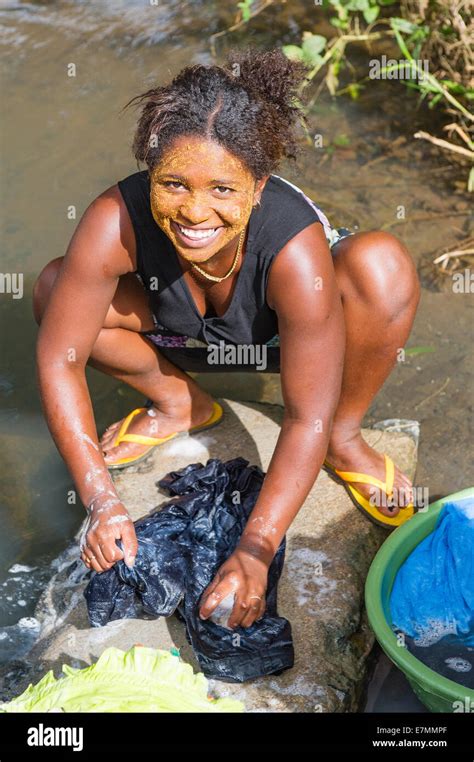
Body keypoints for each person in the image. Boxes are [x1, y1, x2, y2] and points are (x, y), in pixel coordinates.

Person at [33, 48, 420, 631]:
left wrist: (257, 547)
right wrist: (100, 500)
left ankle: (349, 438)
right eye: (173, 183)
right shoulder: (114, 218)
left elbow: (302, 416)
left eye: (222, 189)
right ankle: (180, 402)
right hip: (179, 328)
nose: (195, 211)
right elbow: (60, 363)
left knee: (381, 267)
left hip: (283, 339)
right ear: (149, 171)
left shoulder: (293, 246)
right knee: (55, 288)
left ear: (258, 187)